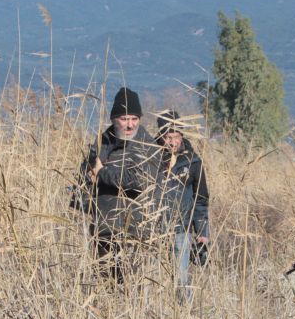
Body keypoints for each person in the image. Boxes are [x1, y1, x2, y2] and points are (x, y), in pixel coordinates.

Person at [82, 87, 163, 280]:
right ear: (114, 119)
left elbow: (140, 180)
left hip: (136, 230)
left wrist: (103, 173)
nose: (129, 125)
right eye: (124, 119)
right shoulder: (101, 144)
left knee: (132, 285)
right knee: (105, 286)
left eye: (134, 119)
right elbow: (85, 177)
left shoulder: (148, 146)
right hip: (103, 228)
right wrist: (86, 208)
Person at [154, 110, 209, 287]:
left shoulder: (192, 161)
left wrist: (202, 232)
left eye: (176, 136)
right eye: (168, 137)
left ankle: (184, 310)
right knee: (154, 278)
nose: (172, 142)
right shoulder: (150, 157)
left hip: (181, 229)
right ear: (161, 135)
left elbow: (200, 199)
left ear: (182, 135)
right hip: (153, 229)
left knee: (181, 278)